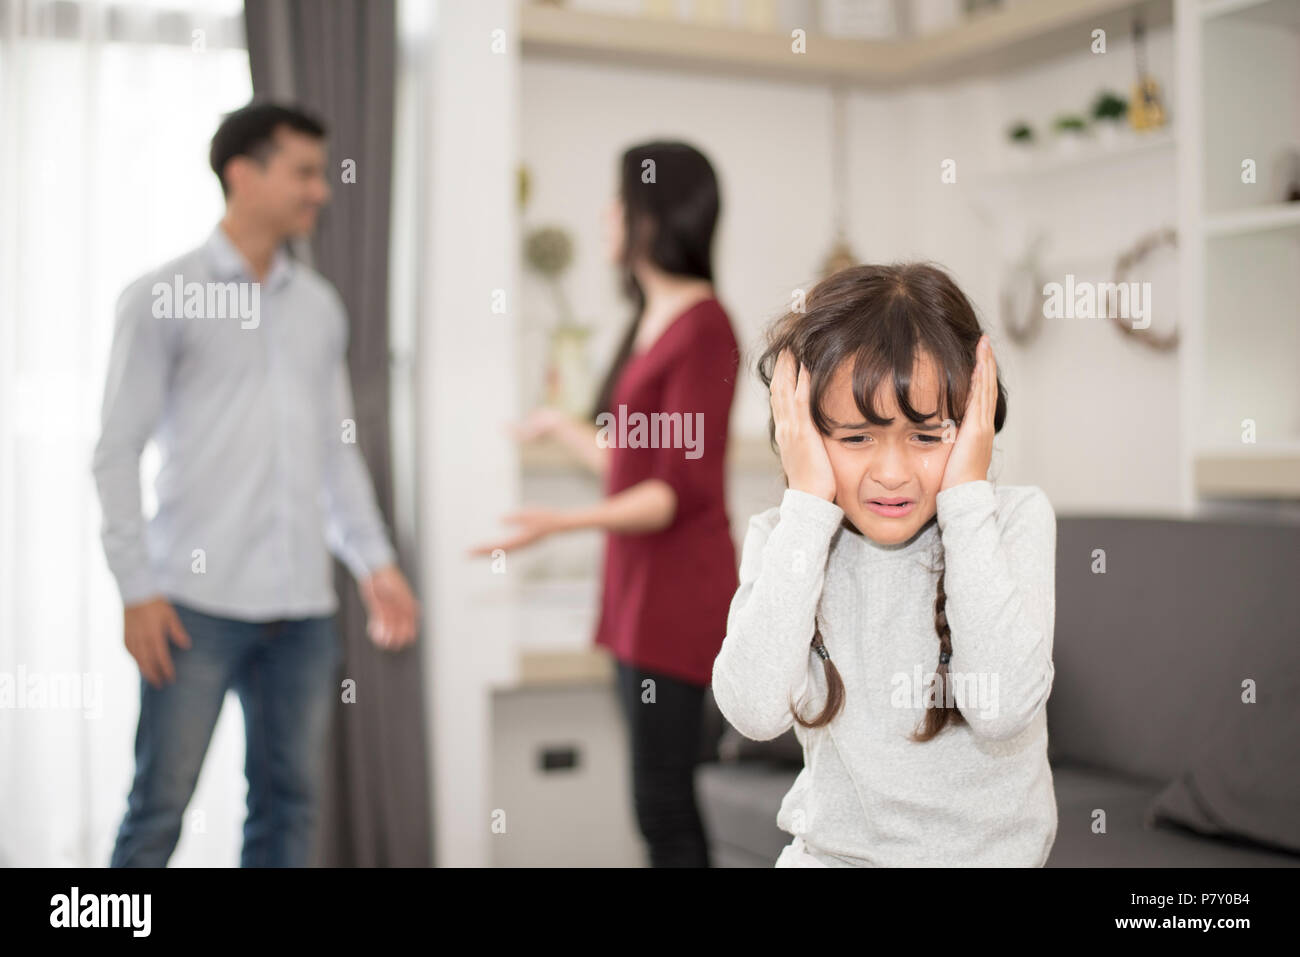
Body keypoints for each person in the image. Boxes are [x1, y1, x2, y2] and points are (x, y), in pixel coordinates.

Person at [92, 102, 419, 867]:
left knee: (288, 813)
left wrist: (375, 561)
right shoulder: (159, 297)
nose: (322, 190)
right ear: (243, 173)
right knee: (157, 810)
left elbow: (336, 453)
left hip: (302, 612)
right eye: (304, 172)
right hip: (190, 609)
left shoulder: (320, 309)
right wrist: (136, 588)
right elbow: (115, 452)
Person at [714, 262, 1057, 867]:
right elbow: (753, 711)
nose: (892, 473)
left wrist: (966, 500)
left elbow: (1001, 709)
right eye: (856, 438)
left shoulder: (1009, 523)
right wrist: (807, 508)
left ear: (975, 424)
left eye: (927, 437)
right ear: (805, 435)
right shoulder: (787, 536)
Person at [472, 141, 738, 867]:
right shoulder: (651, 321)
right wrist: (562, 428)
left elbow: (671, 493)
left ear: (656, 214)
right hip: (635, 599)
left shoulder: (705, 328)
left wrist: (560, 522)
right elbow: (630, 470)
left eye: (620, 200)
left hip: (679, 601)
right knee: (654, 805)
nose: (606, 214)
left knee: (668, 807)